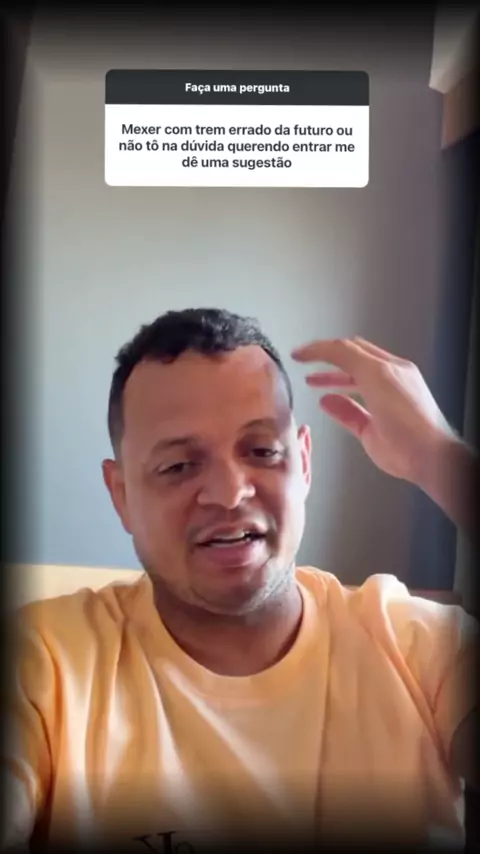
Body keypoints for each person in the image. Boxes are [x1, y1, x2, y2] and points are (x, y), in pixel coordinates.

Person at [2, 308, 478, 852]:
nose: (230, 494)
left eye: (261, 451)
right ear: (122, 496)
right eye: (178, 466)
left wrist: (440, 461)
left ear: (303, 463)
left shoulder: (420, 648)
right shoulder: (43, 659)